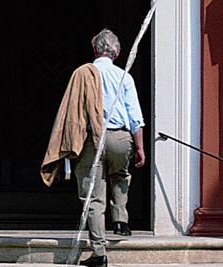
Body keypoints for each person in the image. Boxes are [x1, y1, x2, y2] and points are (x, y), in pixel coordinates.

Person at [41, 29, 145, 267]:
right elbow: (135, 117)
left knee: (93, 197)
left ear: (95, 49)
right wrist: (139, 147)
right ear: (116, 53)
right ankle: (121, 220)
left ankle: (99, 253)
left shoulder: (82, 73)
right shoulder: (124, 76)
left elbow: (71, 110)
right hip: (120, 138)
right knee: (120, 175)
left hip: (91, 140)